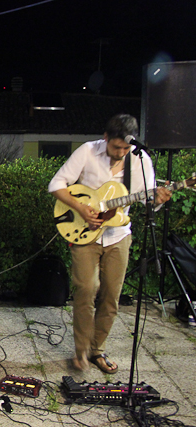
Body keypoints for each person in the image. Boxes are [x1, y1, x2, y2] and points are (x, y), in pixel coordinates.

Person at [48, 114, 171, 373]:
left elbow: (149, 201)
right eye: (116, 147)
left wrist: (158, 200)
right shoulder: (87, 151)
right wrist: (81, 208)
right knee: (86, 289)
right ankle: (81, 351)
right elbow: (56, 184)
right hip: (85, 233)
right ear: (106, 138)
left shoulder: (141, 160)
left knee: (111, 296)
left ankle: (97, 350)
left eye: (126, 148)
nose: (121, 153)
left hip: (119, 236)